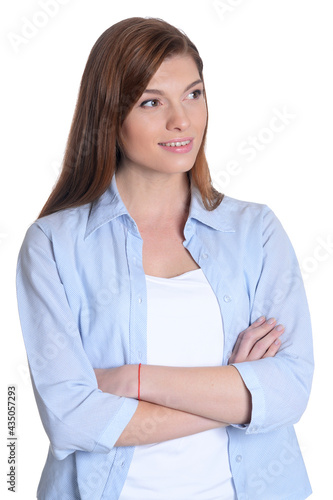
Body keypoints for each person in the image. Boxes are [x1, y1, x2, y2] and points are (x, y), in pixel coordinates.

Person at [16, 17, 314, 500]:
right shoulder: (54, 245)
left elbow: (288, 392)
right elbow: (70, 419)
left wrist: (131, 379)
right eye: (152, 102)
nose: (182, 120)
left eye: (193, 94)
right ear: (109, 116)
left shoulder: (255, 232)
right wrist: (236, 395)